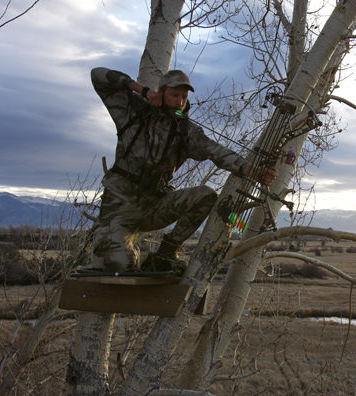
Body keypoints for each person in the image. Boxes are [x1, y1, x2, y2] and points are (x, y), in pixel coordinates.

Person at [89, 67, 277, 274]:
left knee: (206, 195)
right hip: (120, 206)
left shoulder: (187, 131)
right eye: (174, 95)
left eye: (184, 97)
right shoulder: (133, 111)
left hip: (154, 206)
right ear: (160, 93)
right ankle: (119, 248)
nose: (180, 102)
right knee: (119, 267)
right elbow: (98, 75)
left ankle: (166, 252)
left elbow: (215, 151)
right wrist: (142, 91)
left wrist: (250, 170)